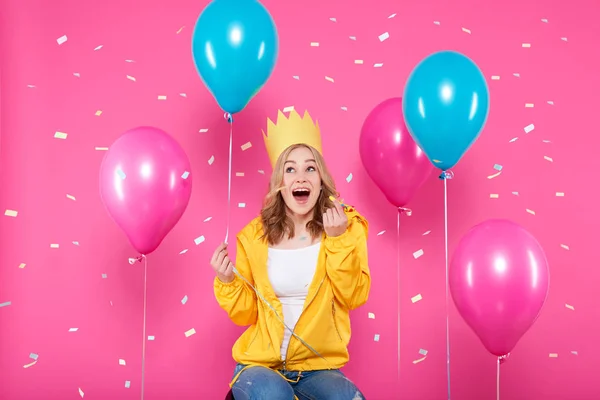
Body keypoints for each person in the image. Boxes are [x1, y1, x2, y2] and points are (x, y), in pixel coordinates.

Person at [210, 110, 370, 400]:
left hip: (319, 368)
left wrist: (337, 242)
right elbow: (247, 313)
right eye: (290, 169)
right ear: (280, 182)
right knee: (273, 395)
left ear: (321, 179)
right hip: (262, 365)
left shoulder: (347, 227)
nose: (301, 177)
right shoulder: (253, 237)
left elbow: (353, 296)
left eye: (310, 168)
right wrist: (228, 280)